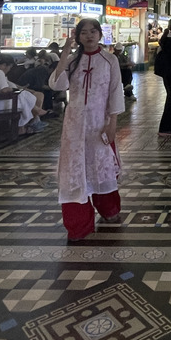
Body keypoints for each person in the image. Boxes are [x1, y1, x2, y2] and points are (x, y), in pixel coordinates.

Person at [49, 19, 125, 240]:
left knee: (100, 165)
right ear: (78, 36)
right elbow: (56, 84)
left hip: (98, 123)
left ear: (100, 34)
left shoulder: (110, 60)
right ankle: (78, 224)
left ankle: (109, 208)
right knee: (75, 170)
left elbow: (115, 92)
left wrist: (112, 124)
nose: (89, 36)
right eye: (84, 33)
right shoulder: (73, 61)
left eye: (93, 31)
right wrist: (65, 53)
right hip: (74, 125)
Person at [0, 54, 46, 134]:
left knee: (22, 95)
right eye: (9, 67)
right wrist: (15, 90)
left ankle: (32, 118)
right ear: (5, 65)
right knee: (22, 95)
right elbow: (5, 90)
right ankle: (25, 124)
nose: (9, 70)